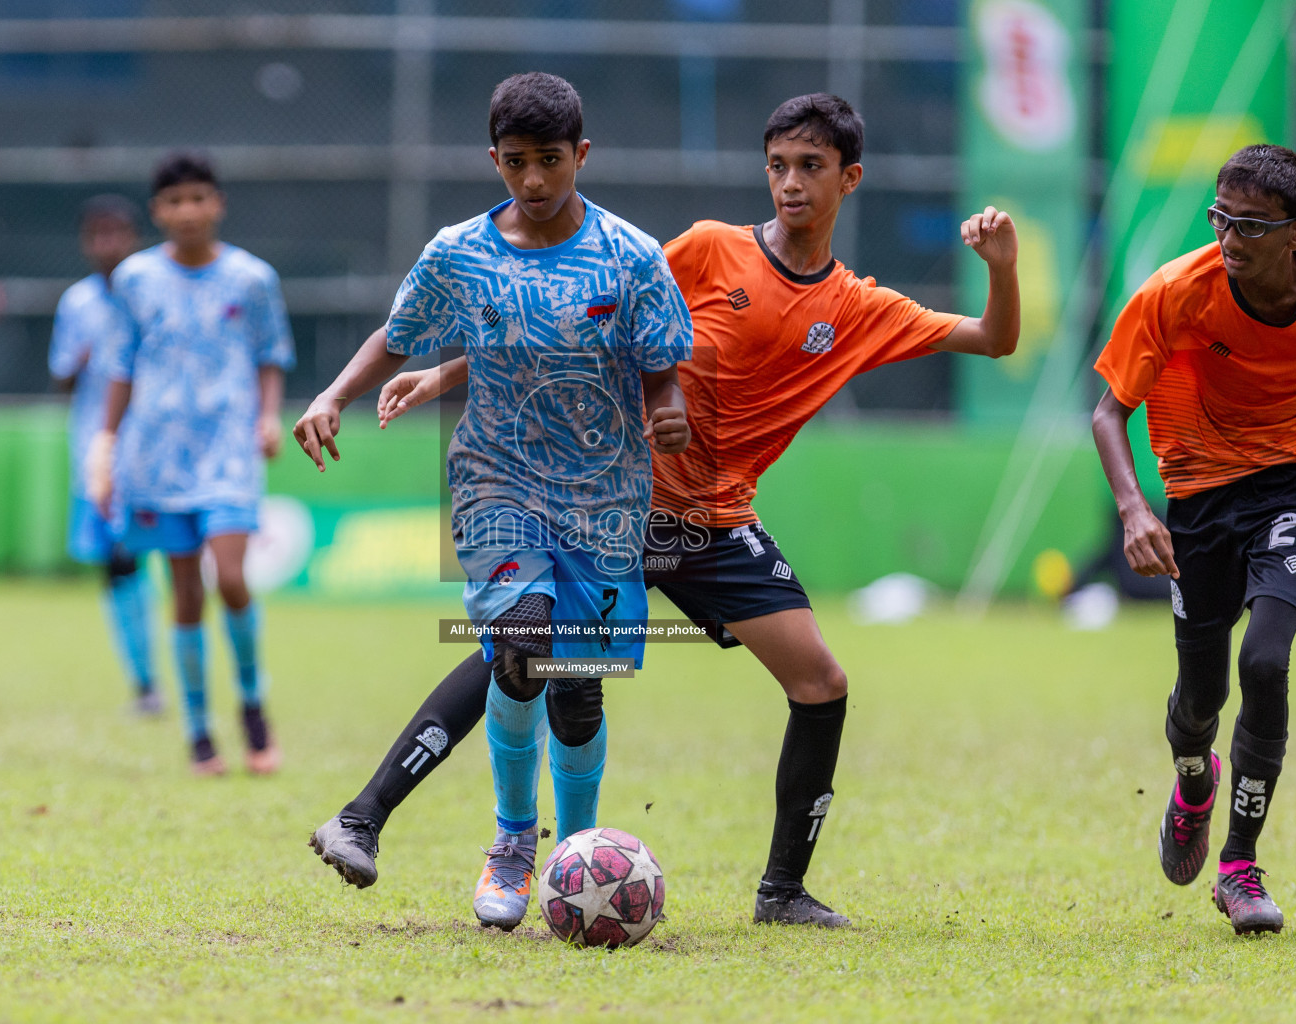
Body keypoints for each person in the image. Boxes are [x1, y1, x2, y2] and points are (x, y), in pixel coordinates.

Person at [301, 92, 1020, 929]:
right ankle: (389, 818)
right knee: (530, 650)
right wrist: (445, 372)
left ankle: (781, 892)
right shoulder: (709, 249)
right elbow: (576, 313)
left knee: (820, 682)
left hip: (709, 525)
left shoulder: (860, 310)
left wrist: (1002, 267)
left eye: (811, 168)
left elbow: (994, 340)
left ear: (849, 179)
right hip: (605, 497)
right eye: (779, 166)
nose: (790, 184)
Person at [293, 72, 693, 930]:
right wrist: (333, 396)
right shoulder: (458, 253)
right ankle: (515, 841)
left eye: (551, 161)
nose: (536, 182)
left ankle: (573, 860)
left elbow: (663, 369)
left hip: (605, 504)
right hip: (495, 482)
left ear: (581, 155)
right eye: (517, 163)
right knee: (520, 642)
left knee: (575, 689)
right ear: (495, 159)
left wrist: (668, 411)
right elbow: (394, 336)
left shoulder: (633, 257)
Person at [1092, 144, 1296, 936]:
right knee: (1200, 698)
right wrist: (1136, 510)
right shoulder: (1178, 292)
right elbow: (1108, 413)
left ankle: (1239, 866)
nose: (1230, 240)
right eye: (1221, 218)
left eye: (1252, 226)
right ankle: (1193, 781)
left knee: (1265, 660)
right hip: (1201, 492)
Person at [89, 153, 294, 777]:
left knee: (229, 577)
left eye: (198, 199)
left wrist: (267, 415)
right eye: (174, 202)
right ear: (158, 211)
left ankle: (253, 706)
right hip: (156, 456)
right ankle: (200, 731)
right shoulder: (135, 279)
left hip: (229, 450)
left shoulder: (252, 278)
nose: (187, 212)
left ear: (218, 203)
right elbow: (121, 365)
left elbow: (270, 354)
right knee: (184, 591)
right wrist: (106, 442)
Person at [47, 195, 161, 715]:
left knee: (157, 559)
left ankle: (167, 678)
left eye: (116, 233)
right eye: (97, 234)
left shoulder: (155, 291)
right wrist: (85, 360)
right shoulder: (77, 303)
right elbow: (61, 377)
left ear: (134, 237)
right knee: (115, 565)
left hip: (158, 453)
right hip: (97, 453)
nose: (107, 244)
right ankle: (144, 680)